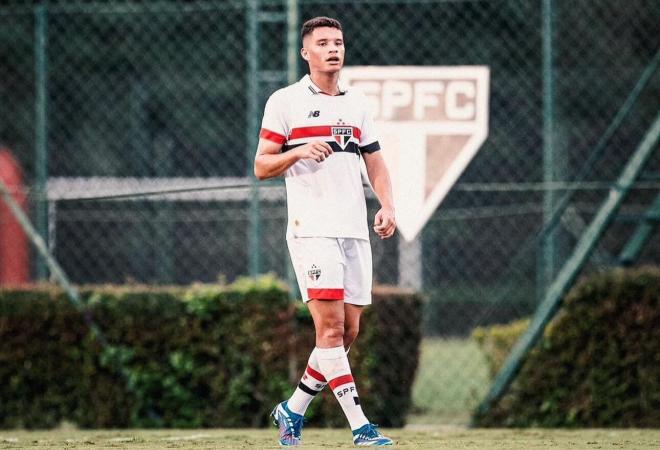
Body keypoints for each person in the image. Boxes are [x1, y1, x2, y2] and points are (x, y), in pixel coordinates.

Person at [254, 16, 396, 447]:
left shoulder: (356, 105)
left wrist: (387, 204)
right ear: (306, 53)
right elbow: (261, 165)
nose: (333, 49)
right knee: (330, 330)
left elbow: (374, 159)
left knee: (348, 333)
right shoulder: (285, 101)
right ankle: (361, 426)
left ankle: (292, 409)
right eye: (323, 43)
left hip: (353, 230)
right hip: (311, 229)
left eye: (338, 42)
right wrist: (296, 151)